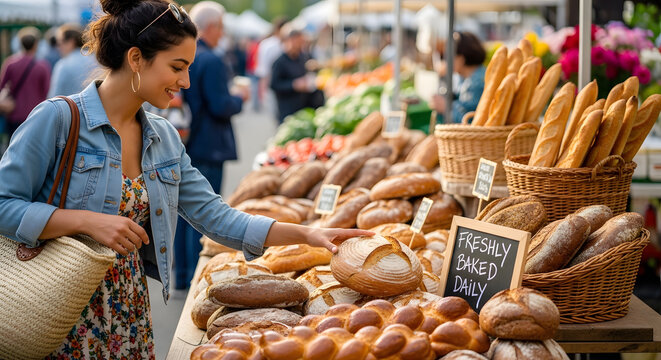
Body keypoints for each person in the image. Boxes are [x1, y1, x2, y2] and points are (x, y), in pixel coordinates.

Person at [0, 0, 370, 358]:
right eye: (178, 67)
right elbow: (4, 204)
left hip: (128, 315)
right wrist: (86, 222)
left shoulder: (163, 138)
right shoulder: (58, 120)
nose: (187, 81)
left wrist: (308, 234)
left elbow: (217, 217)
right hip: (54, 314)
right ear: (135, 59)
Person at [175, 1, 251, 290]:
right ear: (211, 27)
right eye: (221, 26)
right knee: (203, 213)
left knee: (183, 212)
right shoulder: (213, 60)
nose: (223, 32)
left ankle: (182, 275)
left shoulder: (190, 56)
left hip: (187, 139)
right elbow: (220, 105)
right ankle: (196, 277)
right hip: (209, 144)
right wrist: (239, 98)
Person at [0, 27, 50, 137]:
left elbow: (1, 86)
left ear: (20, 43)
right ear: (36, 45)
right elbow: (47, 91)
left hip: (14, 113)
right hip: (36, 114)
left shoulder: (10, 63)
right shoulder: (43, 66)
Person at [428, 31, 486, 124]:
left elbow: (471, 121)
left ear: (461, 59)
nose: (446, 60)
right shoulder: (463, 77)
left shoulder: (477, 82)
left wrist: (445, 108)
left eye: (449, 56)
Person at [270, 27, 325, 123]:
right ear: (290, 40)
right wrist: (293, 85)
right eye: (299, 41)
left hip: (303, 107)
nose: (301, 45)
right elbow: (274, 84)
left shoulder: (303, 57)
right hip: (287, 110)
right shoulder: (279, 62)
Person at [48, 23, 99, 97]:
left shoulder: (63, 64)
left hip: (69, 107)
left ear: (71, 42)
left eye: (60, 42)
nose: (58, 47)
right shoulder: (95, 60)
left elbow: (53, 95)